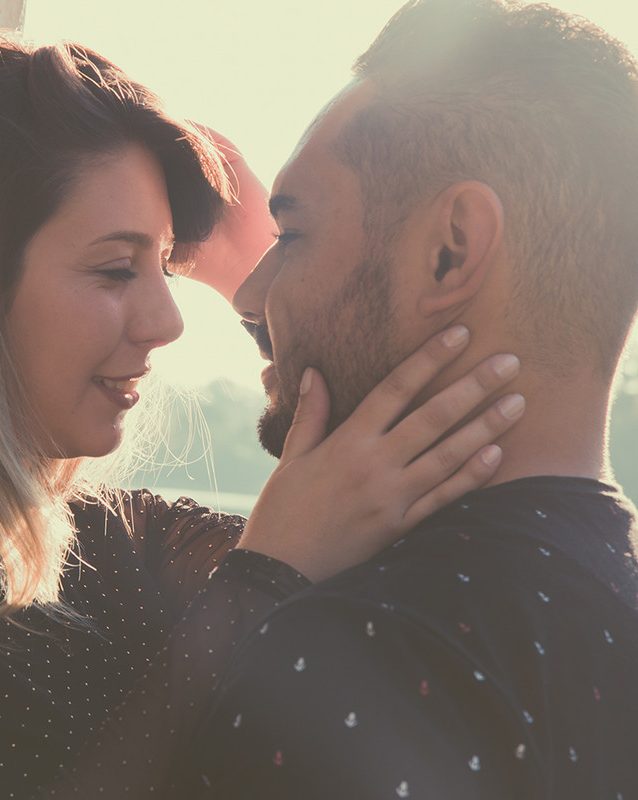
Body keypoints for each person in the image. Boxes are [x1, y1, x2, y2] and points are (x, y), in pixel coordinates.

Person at [0, 33, 523, 800]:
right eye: (117, 272)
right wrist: (264, 581)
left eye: (165, 266)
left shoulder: (114, 545)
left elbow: (398, 516)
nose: (168, 321)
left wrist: (263, 282)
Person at [164, 1, 638, 797]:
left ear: (451, 254)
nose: (256, 292)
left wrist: (259, 590)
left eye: (294, 235)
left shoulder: (346, 654)